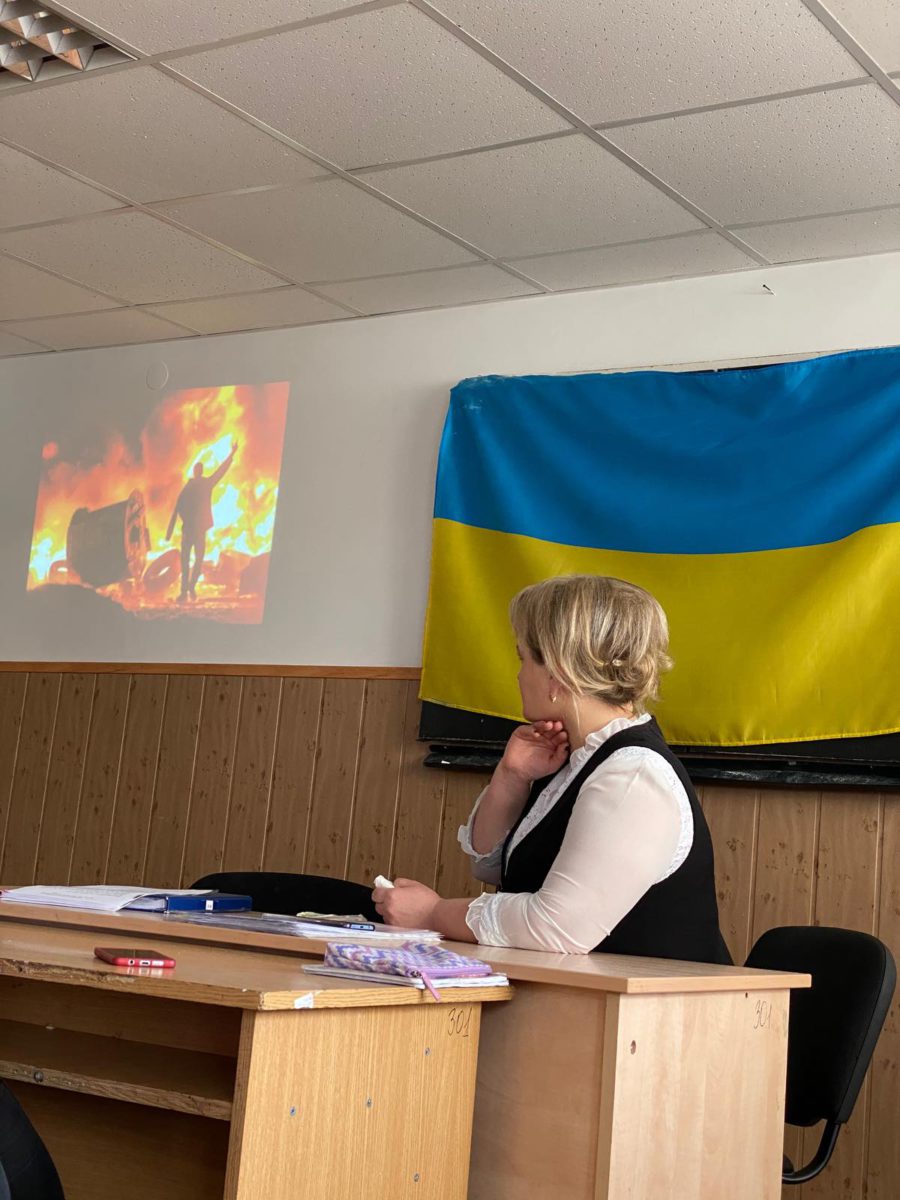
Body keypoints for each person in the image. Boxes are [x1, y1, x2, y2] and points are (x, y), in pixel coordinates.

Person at [373, 574, 731, 963]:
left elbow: (556, 926)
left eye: (523, 658)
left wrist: (432, 913)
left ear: (558, 673)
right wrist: (511, 776)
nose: (518, 674)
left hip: (658, 1001)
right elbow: (490, 866)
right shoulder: (577, 756)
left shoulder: (632, 774)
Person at [165, 441, 238, 602]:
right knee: (190, 561)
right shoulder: (197, 485)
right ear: (197, 471)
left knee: (193, 561)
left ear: (198, 471)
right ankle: (186, 590)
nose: (198, 472)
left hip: (193, 530)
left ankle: (188, 589)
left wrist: (231, 455)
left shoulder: (198, 485)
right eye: (197, 470)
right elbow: (179, 507)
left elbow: (220, 472)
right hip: (194, 530)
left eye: (198, 470)